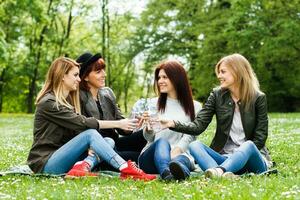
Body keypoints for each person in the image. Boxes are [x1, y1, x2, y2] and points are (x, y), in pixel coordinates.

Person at [27, 57, 156, 181]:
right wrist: (118, 123)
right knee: (91, 134)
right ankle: (125, 168)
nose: (79, 79)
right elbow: (82, 123)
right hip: (46, 163)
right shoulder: (49, 103)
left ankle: (84, 166)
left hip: (64, 158)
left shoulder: (66, 102)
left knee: (108, 141)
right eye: (75, 75)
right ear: (62, 76)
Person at [160, 53, 272, 178]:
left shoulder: (258, 98)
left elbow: (260, 138)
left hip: (252, 158)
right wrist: (173, 124)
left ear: (237, 71)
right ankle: (224, 173)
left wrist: (238, 157)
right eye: (219, 72)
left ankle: (218, 171)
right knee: (194, 145)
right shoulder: (217, 95)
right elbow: (198, 126)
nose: (219, 76)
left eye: (223, 72)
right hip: (225, 158)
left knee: (249, 145)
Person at [136, 60, 201, 181]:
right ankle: (166, 172)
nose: (160, 81)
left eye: (165, 77)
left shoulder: (195, 106)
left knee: (181, 161)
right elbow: (149, 138)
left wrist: (177, 151)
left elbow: (190, 135)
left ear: (177, 78)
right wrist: (148, 128)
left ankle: (177, 172)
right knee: (162, 141)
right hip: (151, 158)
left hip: (180, 153)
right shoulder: (154, 103)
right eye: (159, 77)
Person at [76, 52, 146, 163]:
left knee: (145, 135)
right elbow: (78, 128)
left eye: (103, 70)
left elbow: (121, 124)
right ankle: (101, 161)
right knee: (141, 157)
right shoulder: (78, 96)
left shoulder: (107, 93)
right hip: (96, 147)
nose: (104, 75)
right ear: (85, 77)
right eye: (98, 72)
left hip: (115, 142)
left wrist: (133, 123)